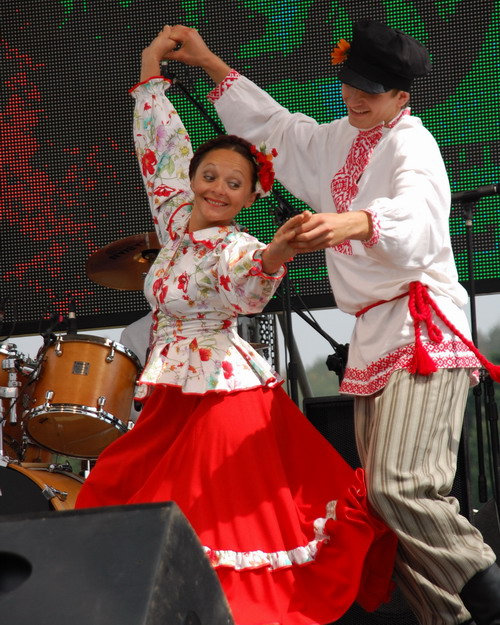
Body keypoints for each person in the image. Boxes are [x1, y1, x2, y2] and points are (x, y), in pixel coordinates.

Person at [160, 19, 500, 625]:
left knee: (400, 487)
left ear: (402, 96)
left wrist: (356, 221)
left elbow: (421, 220)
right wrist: (210, 63)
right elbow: (275, 129)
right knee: (380, 506)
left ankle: (490, 592)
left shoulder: (412, 143)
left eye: (372, 90)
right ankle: (452, 618)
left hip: (420, 327)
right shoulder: (337, 138)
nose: (356, 98)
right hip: (372, 336)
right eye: (351, 84)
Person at [75, 27, 399, 625]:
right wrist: (149, 73)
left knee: (206, 519)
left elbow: (249, 280)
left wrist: (276, 254)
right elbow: (161, 148)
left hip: (223, 398)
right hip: (171, 397)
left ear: (250, 198)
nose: (218, 189)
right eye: (209, 176)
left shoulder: (237, 247)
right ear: (192, 180)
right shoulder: (175, 222)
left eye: (233, 184)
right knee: (116, 487)